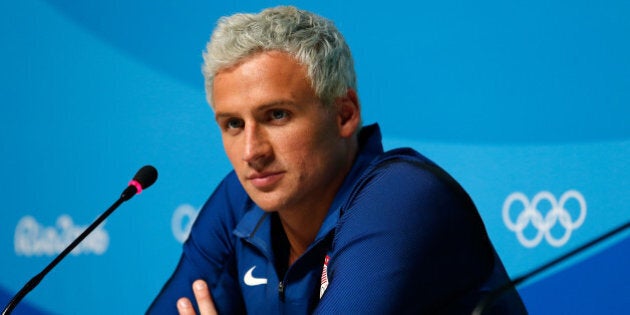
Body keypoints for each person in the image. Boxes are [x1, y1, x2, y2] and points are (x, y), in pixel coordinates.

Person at [147, 6, 526, 314]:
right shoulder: (242, 197)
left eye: (277, 115)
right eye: (233, 124)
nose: (252, 152)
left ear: (344, 115)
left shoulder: (403, 197)